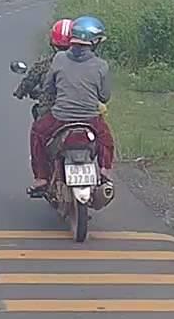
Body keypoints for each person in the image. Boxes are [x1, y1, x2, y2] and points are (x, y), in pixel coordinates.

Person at [13, 15, 115, 198]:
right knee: (106, 139)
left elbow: (48, 88)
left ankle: (41, 178)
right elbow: (105, 96)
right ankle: (105, 170)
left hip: (60, 118)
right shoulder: (101, 65)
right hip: (90, 119)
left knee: (37, 134)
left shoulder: (58, 60)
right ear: (94, 42)